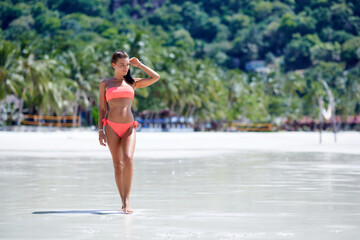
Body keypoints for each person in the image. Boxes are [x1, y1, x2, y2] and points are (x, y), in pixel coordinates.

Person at [98, 50, 160, 214]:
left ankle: (128, 201)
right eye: (121, 65)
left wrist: (139, 65)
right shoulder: (105, 83)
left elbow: (155, 77)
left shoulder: (132, 82)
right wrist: (100, 130)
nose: (125, 68)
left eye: (127, 65)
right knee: (117, 165)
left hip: (129, 126)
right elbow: (102, 108)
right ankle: (123, 201)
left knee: (128, 159)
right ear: (113, 65)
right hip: (111, 126)